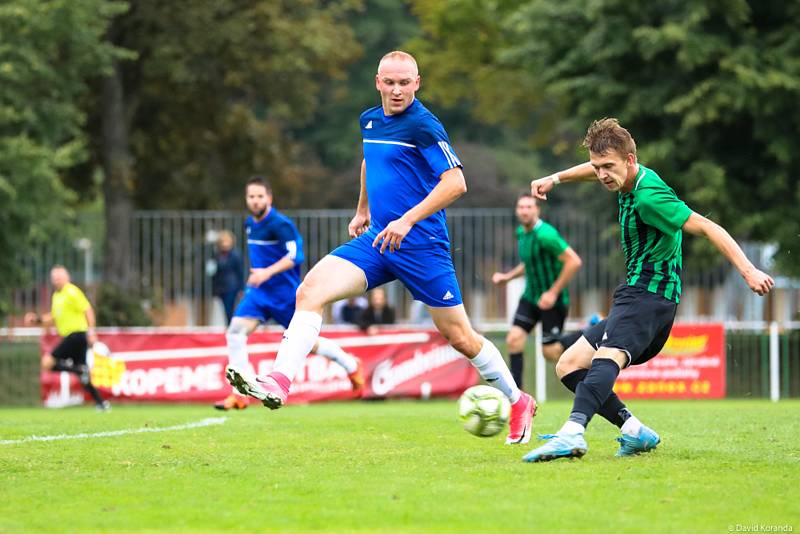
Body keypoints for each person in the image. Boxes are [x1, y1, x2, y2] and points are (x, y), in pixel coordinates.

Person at [226, 50, 537, 445]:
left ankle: (518, 399)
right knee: (310, 291)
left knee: (460, 336)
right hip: (378, 242)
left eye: (404, 83)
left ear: (417, 83)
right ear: (377, 82)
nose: (396, 90)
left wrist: (407, 220)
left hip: (422, 247)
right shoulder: (370, 120)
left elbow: (456, 182)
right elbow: (369, 161)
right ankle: (279, 381)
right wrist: (363, 209)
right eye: (389, 82)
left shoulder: (424, 125)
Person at [522, 118, 774, 462]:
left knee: (604, 358)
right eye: (597, 168)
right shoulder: (626, 174)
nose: (601, 175)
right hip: (636, 293)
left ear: (630, 160)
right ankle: (634, 431)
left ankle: (572, 432)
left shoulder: (649, 198)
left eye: (608, 167)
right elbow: (596, 164)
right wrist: (556, 178)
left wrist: (748, 270)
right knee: (568, 364)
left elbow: (707, 226)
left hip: (650, 296)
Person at [214, 176, 365, 410]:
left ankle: (350, 365)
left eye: (259, 196)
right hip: (258, 294)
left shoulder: (280, 224)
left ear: (269, 198)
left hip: (285, 295)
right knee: (235, 331)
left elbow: (296, 256)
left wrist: (266, 272)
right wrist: (260, 279)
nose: (255, 201)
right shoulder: (249, 223)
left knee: (309, 343)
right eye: (251, 196)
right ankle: (239, 395)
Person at [491, 193, 583, 387]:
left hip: (553, 301)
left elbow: (573, 261)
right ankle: (517, 395)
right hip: (531, 297)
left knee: (550, 353)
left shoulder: (546, 235)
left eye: (529, 207)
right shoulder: (521, 233)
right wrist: (507, 278)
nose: (524, 211)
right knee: (514, 339)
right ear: (517, 211)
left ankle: (590, 330)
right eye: (521, 207)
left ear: (537, 210)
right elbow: (529, 263)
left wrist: (552, 292)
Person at [24, 265, 110, 411]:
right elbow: (53, 317)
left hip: (76, 335)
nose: (56, 280)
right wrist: (37, 320)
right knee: (83, 376)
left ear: (67, 278)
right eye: (54, 278)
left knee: (47, 363)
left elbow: (87, 310)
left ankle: (78, 370)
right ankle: (101, 404)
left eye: (59, 277)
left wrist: (92, 331)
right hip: (73, 337)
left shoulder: (72, 291)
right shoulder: (56, 296)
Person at [209, 230, 244, 325]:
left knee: (230, 309)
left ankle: (230, 326)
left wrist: (241, 288)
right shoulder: (216, 255)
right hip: (220, 287)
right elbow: (212, 271)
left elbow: (240, 272)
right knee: (224, 309)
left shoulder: (235, 255)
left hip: (231, 287)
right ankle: (229, 325)